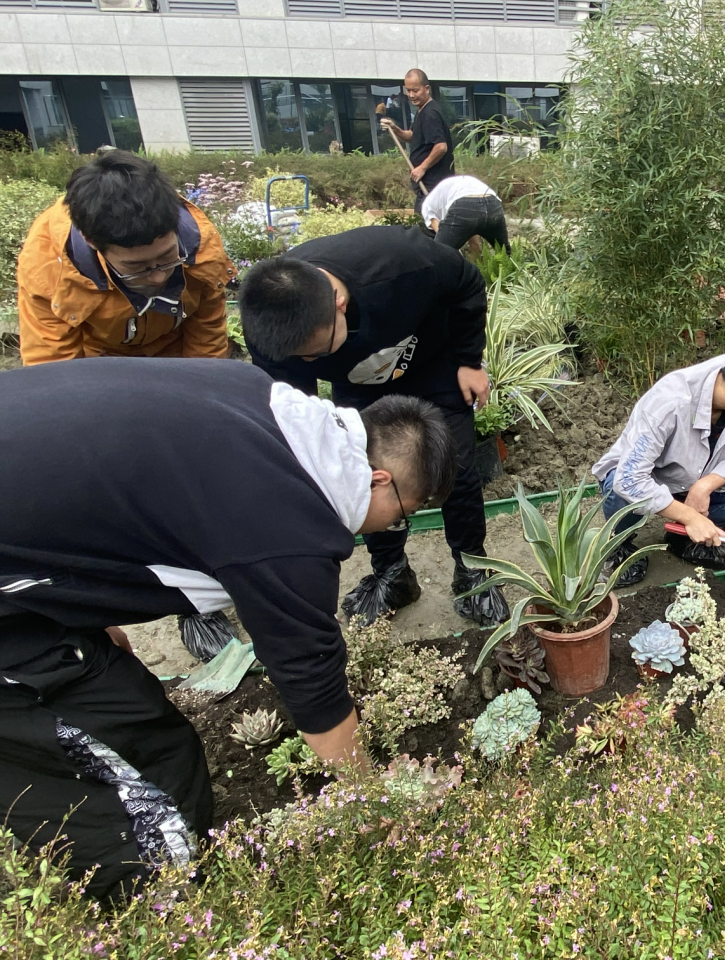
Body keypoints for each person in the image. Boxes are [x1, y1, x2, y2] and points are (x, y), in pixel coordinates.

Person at [0, 358, 454, 900]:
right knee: (142, 820)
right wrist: (373, 802)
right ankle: (153, 902)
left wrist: (90, 615)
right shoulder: (288, 534)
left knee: (148, 729)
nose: (392, 526)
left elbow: (105, 483)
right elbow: (314, 691)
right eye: (402, 515)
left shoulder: (261, 397)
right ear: (379, 480)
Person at [237, 225, 508, 627]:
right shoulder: (270, 325)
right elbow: (294, 402)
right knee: (362, 476)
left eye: (317, 352)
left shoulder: (402, 262)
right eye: (301, 358)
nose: (309, 363)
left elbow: (466, 282)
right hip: (358, 383)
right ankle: (392, 573)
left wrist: (470, 360)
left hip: (432, 359)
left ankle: (472, 571)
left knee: (459, 468)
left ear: (339, 304)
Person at [592, 338, 725, 585]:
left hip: (696, 477)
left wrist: (705, 486)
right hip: (647, 478)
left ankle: (684, 538)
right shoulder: (670, 401)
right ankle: (620, 544)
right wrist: (690, 517)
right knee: (618, 488)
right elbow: (629, 479)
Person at [16, 150, 234, 365]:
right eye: (137, 266)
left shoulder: (202, 247)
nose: (158, 277)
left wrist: (202, 382)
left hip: (175, 350)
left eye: (167, 256)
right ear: (91, 242)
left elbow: (207, 344)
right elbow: (55, 367)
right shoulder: (47, 268)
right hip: (100, 360)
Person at [379, 69, 455, 213]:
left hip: (433, 187)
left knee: (425, 223)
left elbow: (441, 146)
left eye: (415, 90)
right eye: (408, 90)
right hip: (427, 185)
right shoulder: (422, 111)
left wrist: (422, 168)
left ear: (427, 89)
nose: (411, 95)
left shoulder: (430, 114)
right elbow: (413, 136)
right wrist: (394, 128)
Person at [422, 174, 510, 253]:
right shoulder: (448, 190)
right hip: (492, 202)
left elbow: (439, 231)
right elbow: (472, 227)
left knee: (439, 253)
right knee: (505, 253)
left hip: (464, 204)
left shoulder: (427, 206)